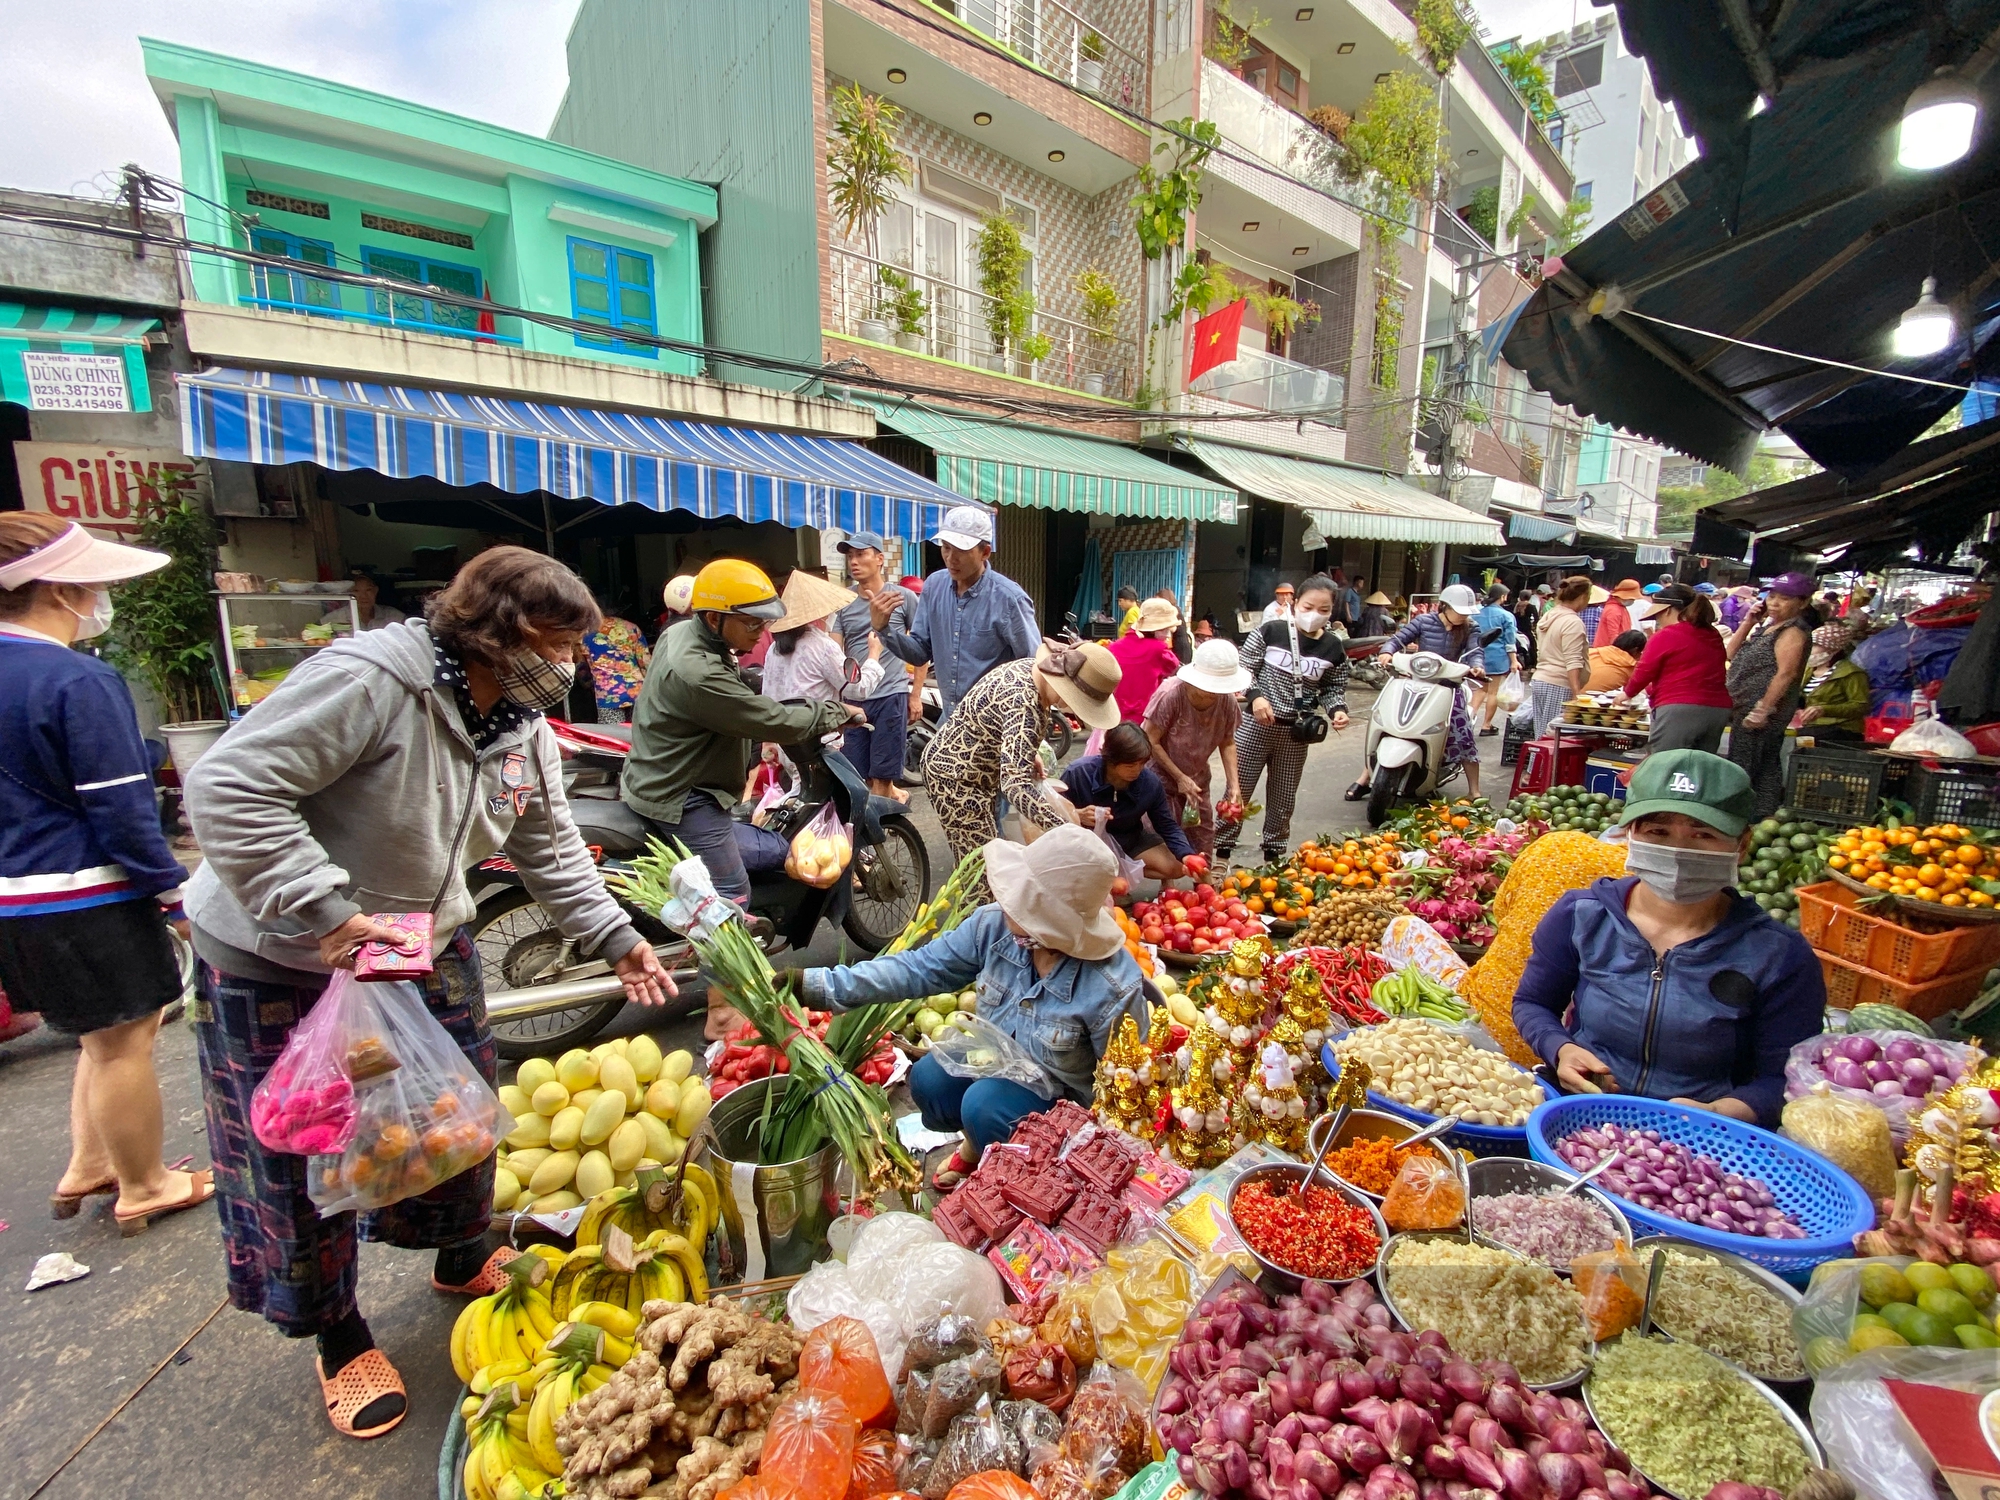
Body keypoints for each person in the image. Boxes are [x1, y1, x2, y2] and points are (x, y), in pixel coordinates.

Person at [182, 545, 675, 1439]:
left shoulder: (522, 723)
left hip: (419, 941)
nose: (565, 670)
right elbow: (229, 784)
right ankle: (337, 1332)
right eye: (553, 647)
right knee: (311, 1152)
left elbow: (551, 848)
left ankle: (460, 1249)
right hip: (290, 952)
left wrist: (619, 939)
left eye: (574, 651)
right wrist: (322, 911)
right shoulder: (374, 680)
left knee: (458, 1116)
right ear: (492, 632)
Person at [0, 517, 213, 1239]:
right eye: (90, 585)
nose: (98, 599)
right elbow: (122, 810)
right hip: (84, 893)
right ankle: (146, 1183)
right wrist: (175, 893)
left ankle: (89, 1164)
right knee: (127, 1040)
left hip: (17, 898)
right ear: (59, 589)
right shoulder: (74, 679)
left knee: (100, 1036)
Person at [798, 824, 1146, 1180]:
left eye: (1020, 899)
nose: (1005, 900)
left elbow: (1127, 1094)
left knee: (985, 1106)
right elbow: (918, 968)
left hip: (1065, 1102)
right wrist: (820, 986)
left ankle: (1034, 1181)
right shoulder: (994, 928)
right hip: (1001, 1064)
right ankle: (980, 1145)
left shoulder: (1112, 987)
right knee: (931, 1079)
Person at [1511, 750, 1824, 1127]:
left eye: (1703, 834)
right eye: (1658, 831)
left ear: (1742, 846)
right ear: (1630, 834)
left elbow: (1787, 1079)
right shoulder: (1583, 916)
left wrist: (1722, 1113)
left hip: (1701, 1149)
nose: (1678, 850)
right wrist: (1560, 1049)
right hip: (1579, 1118)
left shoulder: (1778, 955)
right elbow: (1532, 1002)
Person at [624, 559, 859, 913]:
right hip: (686, 797)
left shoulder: (681, 633)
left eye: (765, 621)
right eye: (751, 622)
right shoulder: (698, 673)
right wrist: (836, 712)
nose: (760, 631)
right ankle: (717, 967)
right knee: (733, 894)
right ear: (713, 618)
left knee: (772, 848)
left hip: (658, 774)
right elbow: (770, 721)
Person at [923, 640, 1121, 884]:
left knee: (985, 858)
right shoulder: (1024, 703)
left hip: (980, 771)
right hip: (955, 778)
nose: (1071, 708)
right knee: (982, 876)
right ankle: (973, 920)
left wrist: (1027, 751)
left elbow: (1000, 724)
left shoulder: (1033, 671)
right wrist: (1066, 829)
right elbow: (1015, 785)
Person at [1222, 574, 1350, 864]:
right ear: (1294, 603)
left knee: (1283, 799)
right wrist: (1255, 696)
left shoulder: (1333, 647)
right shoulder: (1271, 631)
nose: (1314, 615)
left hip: (1295, 735)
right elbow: (1243, 668)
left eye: (1324, 610)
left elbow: (1333, 687)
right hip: (1255, 727)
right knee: (1236, 791)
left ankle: (1274, 857)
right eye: (1308, 607)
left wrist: (1337, 710)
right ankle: (1221, 853)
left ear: (1332, 611)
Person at [872, 505, 1038, 722]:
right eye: (946, 547)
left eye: (961, 550)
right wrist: (884, 629)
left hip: (994, 725)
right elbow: (921, 652)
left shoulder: (1009, 599)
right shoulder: (934, 586)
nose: (951, 558)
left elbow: (1032, 667)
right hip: (949, 720)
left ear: (985, 552)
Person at [1360, 581, 1487, 798]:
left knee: (1462, 733)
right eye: (1459, 611)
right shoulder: (1424, 621)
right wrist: (1387, 652)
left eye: (1467, 612)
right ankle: (1364, 778)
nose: (1463, 616)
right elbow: (1399, 638)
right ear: (1445, 606)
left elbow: (1475, 651)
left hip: (1449, 687)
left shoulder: (1471, 627)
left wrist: (1477, 667)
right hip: (1417, 682)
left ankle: (1474, 790)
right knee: (1389, 723)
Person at [833, 532, 926, 803]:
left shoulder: (903, 597)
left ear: (880, 559)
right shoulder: (843, 601)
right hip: (854, 700)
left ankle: (879, 837)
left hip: (890, 695)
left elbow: (922, 649)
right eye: (850, 556)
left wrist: (916, 694)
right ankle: (893, 804)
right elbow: (835, 651)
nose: (854, 561)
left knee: (883, 776)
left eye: (861, 554)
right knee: (858, 776)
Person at [1142, 638, 1248, 860]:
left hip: (1198, 779)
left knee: (1203, 831)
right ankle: (1166, 886)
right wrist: (1179, 777)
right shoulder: (1172, 695)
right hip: (1161, 777)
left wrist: (1234, 785)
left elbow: (1227, 741)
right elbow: (1150, 740)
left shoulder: (1227, 702)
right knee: (1164, 832)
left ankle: (1203, 885)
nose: (1214, 693)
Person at [1725, 572, 1816, 818]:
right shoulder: (1768, 627)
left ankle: (1747, 817)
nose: (1774, 603)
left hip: (1763, 711)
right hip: (1745, 706)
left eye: (1784, 598)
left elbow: (1786, 673)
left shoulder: (1793, 630)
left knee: (1748, 765)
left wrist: (1763, 709)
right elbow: (1731, 653)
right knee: (1761, 763)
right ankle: (1759, 816)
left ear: (1803, 602)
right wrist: (1748, 621)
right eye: (1772, 596)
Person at [1060, 724, 1200, 881]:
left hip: (1129, 840)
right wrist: (1076, 815)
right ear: (1111, 759)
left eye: (1142, 763)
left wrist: (1186, 854)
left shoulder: (1149, 783)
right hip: (1087, 844)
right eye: (1130, 765)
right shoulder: (1078, 774)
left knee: (1176, 866)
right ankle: (1100, 880)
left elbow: (1167, 825)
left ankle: (1118, 877)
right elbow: (1051, 812)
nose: (1137, 770)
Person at [1620, 584, 1734, 752]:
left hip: (1679, 709)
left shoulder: (1666, 635)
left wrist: (1626, 694)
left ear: (1667, 610)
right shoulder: (1712, 633)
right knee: (1698, 766)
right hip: (1717, 710)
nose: (1658, 620)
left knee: (1666, 764)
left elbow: (1645, 670)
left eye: (1658, 614)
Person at [758, 571, 855, 706]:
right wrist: (874, 656)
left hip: (779, 722)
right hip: (814, 723)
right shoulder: (823, 647)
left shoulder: (774, 647)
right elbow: (855, 689)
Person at [1526, 576, 1591, 737]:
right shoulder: (1572, 622)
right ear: (1583, 597)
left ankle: (1537, 763)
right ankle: (1544, 764)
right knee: (1552, 739)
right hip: (1558, 683)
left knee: (1541, 736)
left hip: (1541, 679)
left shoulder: (1551, 615)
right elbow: (1573, 660)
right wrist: (1576, 693)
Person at [1106, 597, 1184, 726]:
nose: (1168, 635)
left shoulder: (1114, 647)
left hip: (1116, 716)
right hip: (1146, 718)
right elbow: (1173, 666)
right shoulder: (1159, 650)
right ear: (1153, 629)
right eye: (1164, 630)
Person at [583, 598, 652, 723]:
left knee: (613, 736)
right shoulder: (632, 628)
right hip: (637, 691)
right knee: (639, 733)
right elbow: (645, 663)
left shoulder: (588, 633)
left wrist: (588, 685)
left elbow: (583, 664)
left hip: (608, 694)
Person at [1798, 627, 1871, 742]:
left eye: (1815, 645)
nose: (1809, 649)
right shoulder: (1808, 670)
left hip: (1842, 730)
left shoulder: (1852, 673)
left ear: (1834, 650)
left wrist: (1824, 709)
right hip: (1810, 726)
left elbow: (1860, 706)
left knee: (1795, 739)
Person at [1473, 583, 1520, 734]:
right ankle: (1486, 725)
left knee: (1480, 690)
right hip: (1497, 657)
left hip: (1477, 656)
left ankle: (1469, 720)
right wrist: (1514, 661)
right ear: (1503, 597)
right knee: (1493, 692)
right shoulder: (1506, 616)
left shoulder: (1475, 612)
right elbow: (1510, 641)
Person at [339, 571, 405, 632]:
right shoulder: (335, 618)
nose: (364, 596)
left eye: (368, 590)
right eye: (356, 591)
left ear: (376, 590)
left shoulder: (394, 617)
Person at [1595, 579, 1641, 647]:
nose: (1633, 601)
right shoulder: (1614, 610)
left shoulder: (1619, 607)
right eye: (1632, 598)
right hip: (1609, 650)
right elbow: (1613, 635)